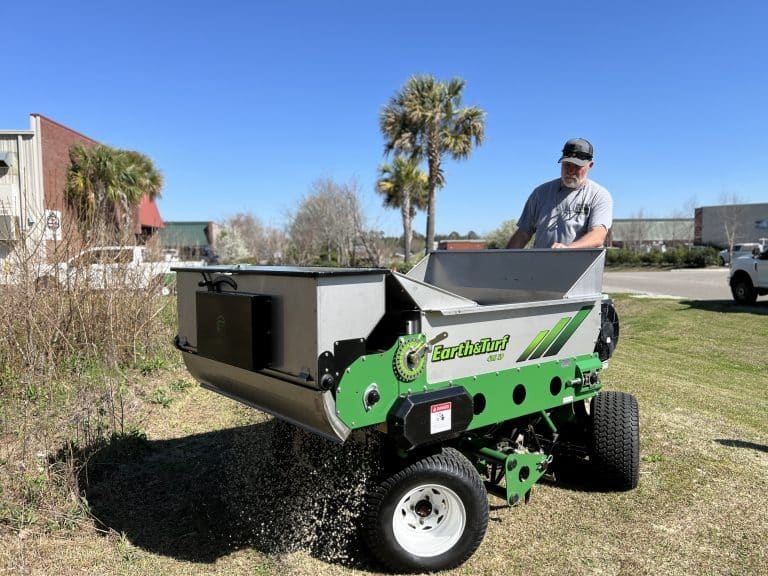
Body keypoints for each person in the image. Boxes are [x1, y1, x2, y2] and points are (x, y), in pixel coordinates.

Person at [507, 138, 613, 249]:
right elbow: (523, 233)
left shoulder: (599, 195)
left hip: (582, 265)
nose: (571, 171)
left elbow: (598, 235)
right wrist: (505, 261)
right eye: (567, 164)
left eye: (577, 166)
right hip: (542, 264)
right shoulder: (540, 193)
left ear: (590, 166)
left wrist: (567, 250)